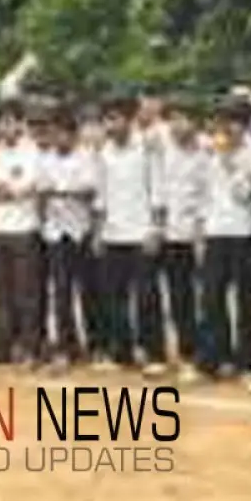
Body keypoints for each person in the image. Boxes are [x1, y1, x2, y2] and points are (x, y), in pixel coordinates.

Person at [0, 102, 46, 367]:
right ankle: (2, 347)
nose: (6, 127)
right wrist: (7, 191)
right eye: (1, 122)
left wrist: (8, 190)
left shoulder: (33, 153)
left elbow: (31, 187)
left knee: (26, 293)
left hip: (25, 229)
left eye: (11, 121)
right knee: (1, 294)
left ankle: (30, 348)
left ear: (20, 123)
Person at [198, 98, 251, 380]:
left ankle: (246, 360)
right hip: (214, 231)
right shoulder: (208, 151)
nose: (227, 128)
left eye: (234, 122)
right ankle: (215, 358)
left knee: (245, 299)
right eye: (224, 121)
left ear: (245, 126)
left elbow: (244, 195)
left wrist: (228, 161)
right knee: (212, 298)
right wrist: (201, 230)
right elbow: (203, 193)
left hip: (243, 232)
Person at [95, 96, 156, 372]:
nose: (110, 124)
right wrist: (98, 233)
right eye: (107, 119)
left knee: (145, 297)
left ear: (128, 120)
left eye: (115, 118)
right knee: (114, 298)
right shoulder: (104, 152)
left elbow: (157, 190)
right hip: (112, 233)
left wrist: (154, 229)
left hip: (141, 232)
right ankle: (123, 352)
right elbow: (101, 195)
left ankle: (151, 353)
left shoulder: (147, 148)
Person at [40, 111, 100, 372]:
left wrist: (60, 192)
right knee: (61, 293)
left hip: (81, 231)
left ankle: (95, 345)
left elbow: (89, 190)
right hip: (55, 232)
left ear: (72, 134)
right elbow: (42, 192)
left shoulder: (86, 157)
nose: (57, 138)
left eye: (62, 133)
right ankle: (65, 347)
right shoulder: (46, 160)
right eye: (54, 133)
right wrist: (51, 198)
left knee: (88, 291)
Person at [151, 102, 207, 380]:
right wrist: (158, 226)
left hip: (201, 233)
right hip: (171, 233)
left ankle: (208, 353)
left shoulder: (207, 150)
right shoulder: (163, 148)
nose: (176, 125)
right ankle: (186, 354)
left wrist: (201, 232)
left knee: (206, 298)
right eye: (172, 119)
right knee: (178, 296)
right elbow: (160, 192)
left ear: (195, 122)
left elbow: (208, 194)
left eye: (182, 118)